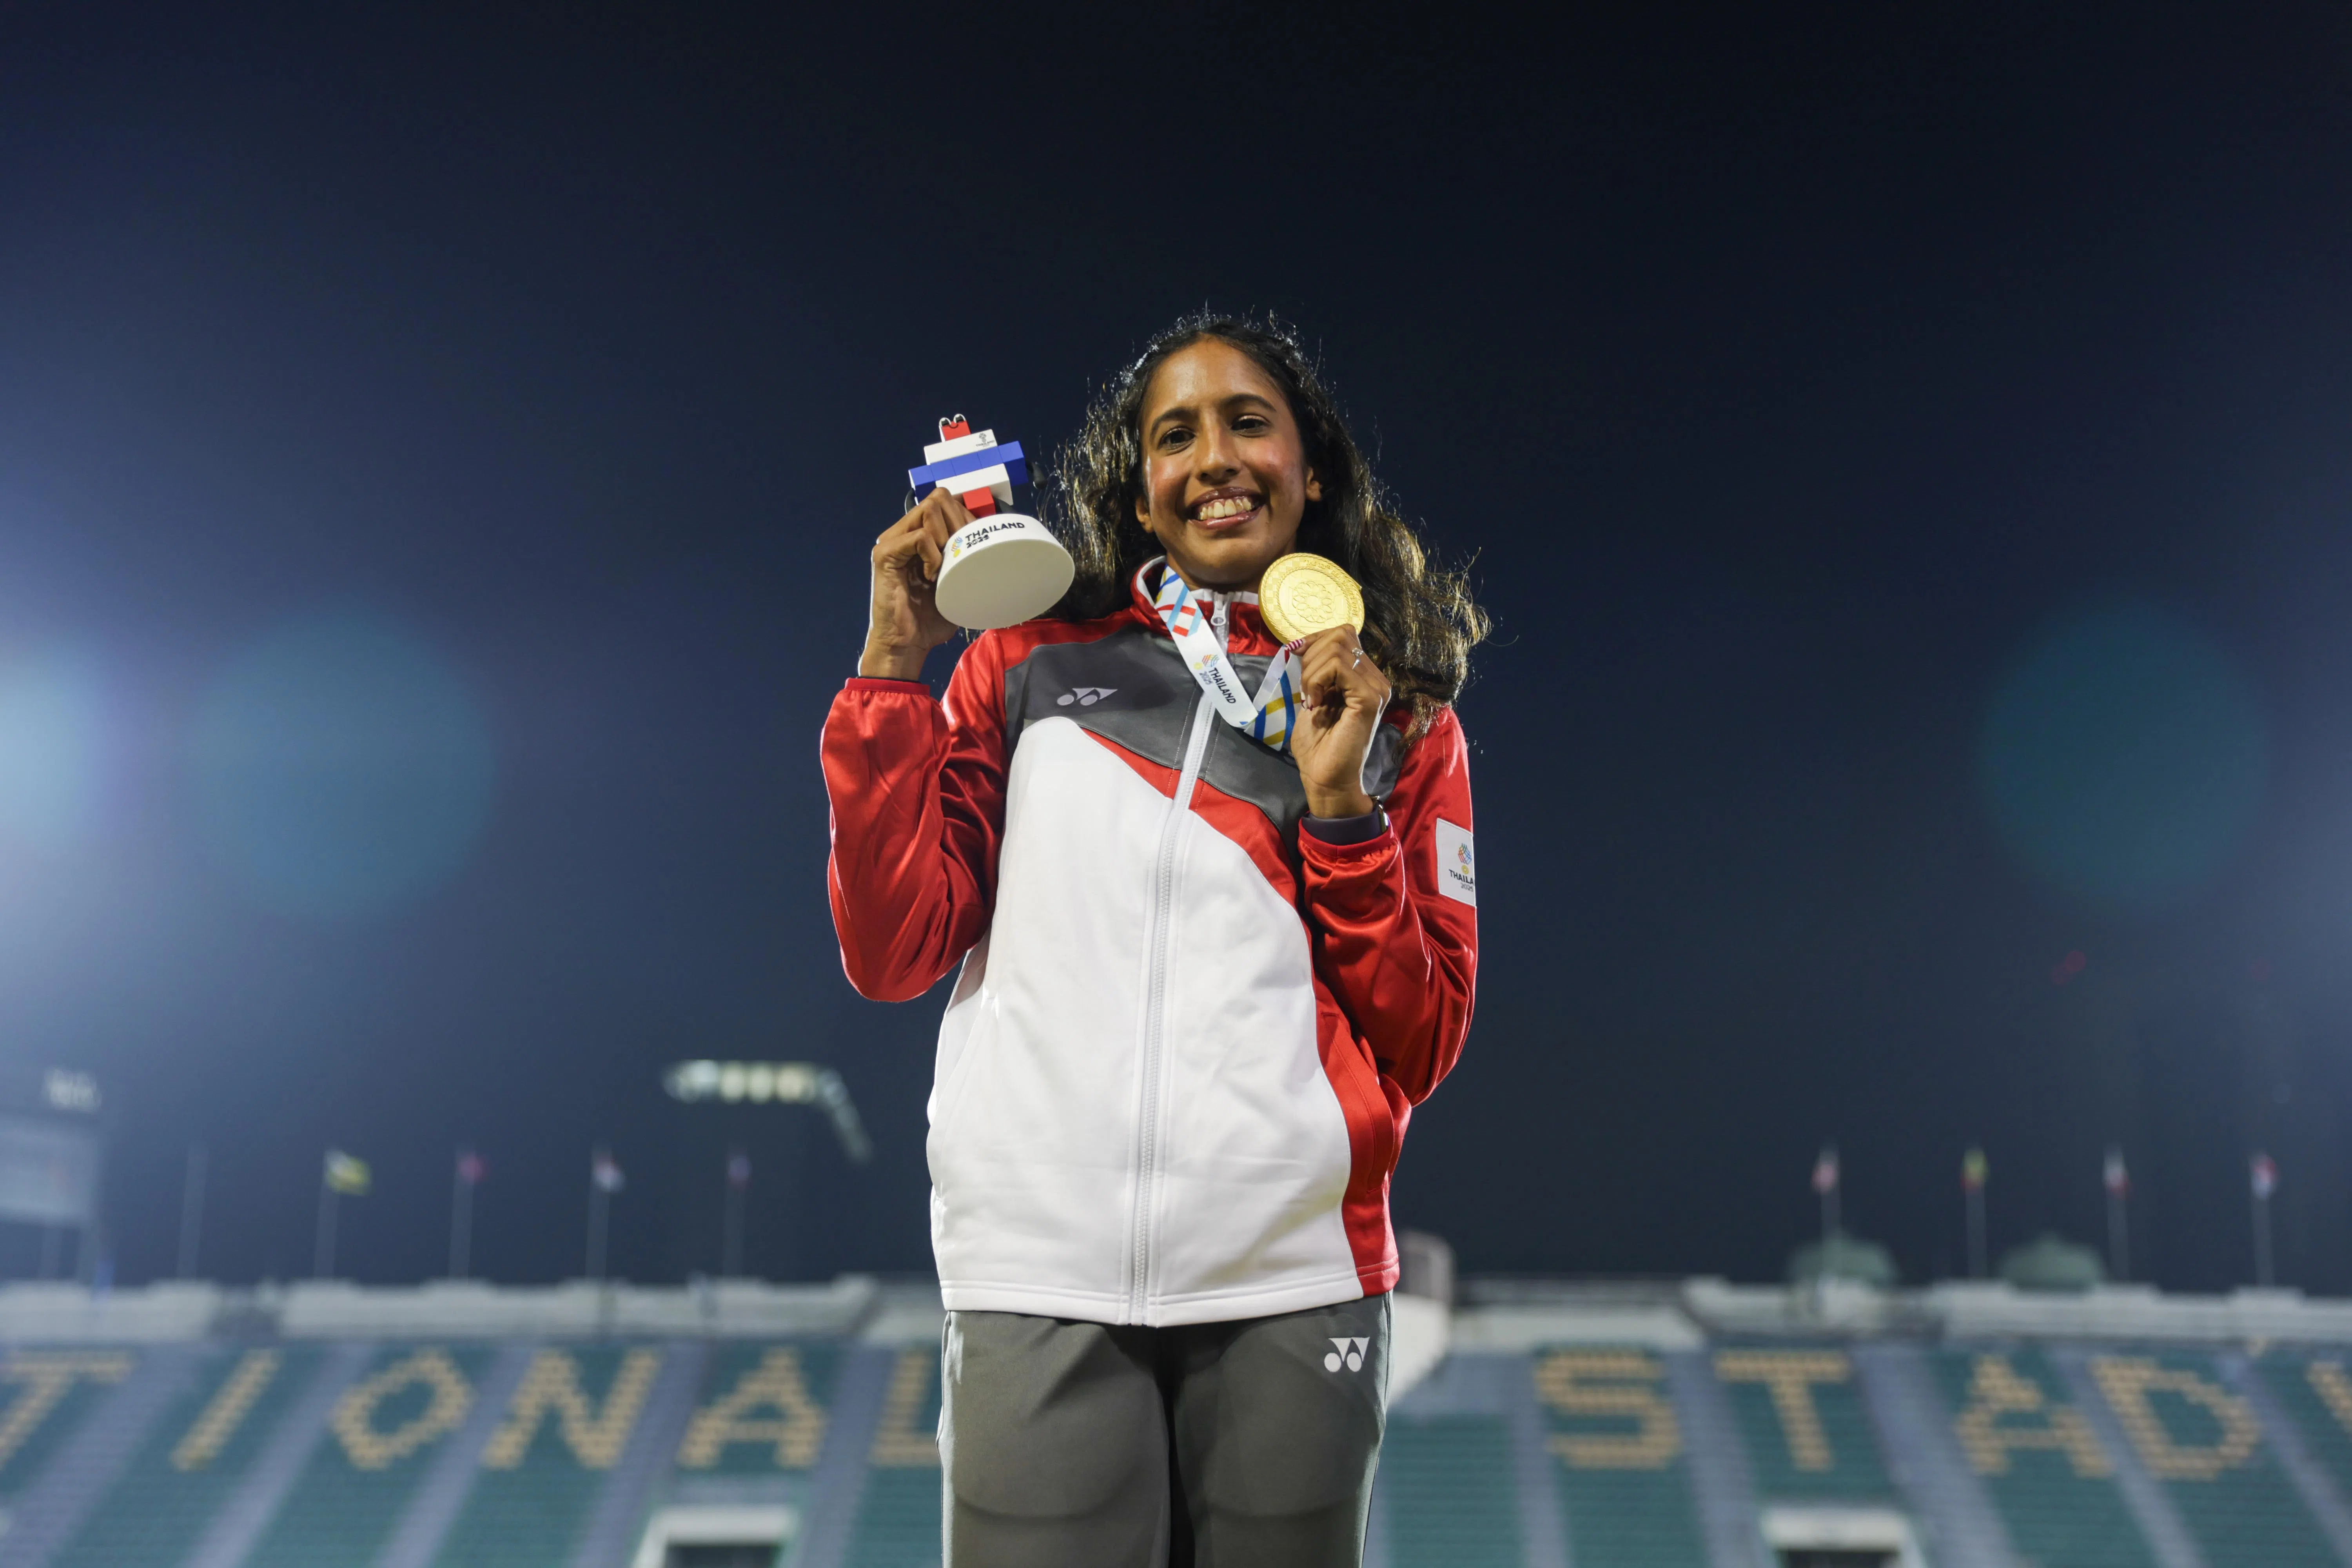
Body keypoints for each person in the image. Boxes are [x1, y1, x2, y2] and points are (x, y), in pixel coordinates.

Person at [820, 314, 1485, 1567]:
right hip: (1037, 1260)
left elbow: (1422, 1036)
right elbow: (892, 948)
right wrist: (895, 666)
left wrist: (1342, 810)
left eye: (1249, 422)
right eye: (1175, 435)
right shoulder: (1022, 665)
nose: (1215, 458)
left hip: (1292, 1270)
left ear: (1313, 466)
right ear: (1138, 489)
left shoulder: (1395, 714)